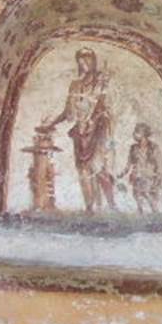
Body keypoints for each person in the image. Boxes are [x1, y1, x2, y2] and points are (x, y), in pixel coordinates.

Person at [39, 47, 116, 213]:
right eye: (81, 59)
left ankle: (111, 205)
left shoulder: (101, 80)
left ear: (94, 60)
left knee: (99, 167)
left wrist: (92, 120)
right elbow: (68, 112)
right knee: (82, 169)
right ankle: (89, 206)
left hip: (98, 128)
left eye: (88, 58)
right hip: (80, 131)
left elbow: (102, 103)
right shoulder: (75, 85)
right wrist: (52, 123)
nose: (85, 62)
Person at [119, 122, 162, 214]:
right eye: (135, 132)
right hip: (136, 176)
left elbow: (159, 164)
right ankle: (140, 215)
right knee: (137, 197)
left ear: (144, 134)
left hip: (149, 177)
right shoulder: (133, 148)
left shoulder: (154, 147)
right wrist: (122, 174)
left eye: (137, 132)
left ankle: (156, 213)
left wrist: (158, 178)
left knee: (148, 195)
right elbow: (129, 163)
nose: (134, 134)